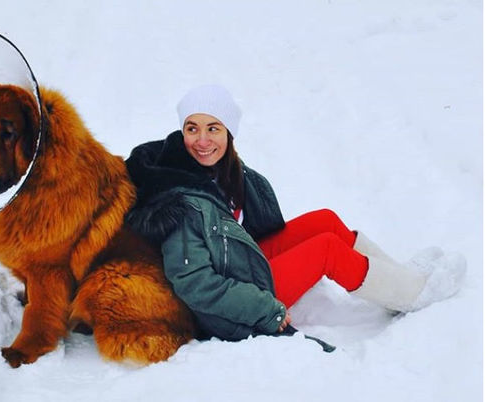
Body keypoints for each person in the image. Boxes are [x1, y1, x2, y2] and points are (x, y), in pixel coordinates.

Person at [125, 84, 466, 341]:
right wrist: (265, 309)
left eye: (212, 128)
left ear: (229, 132)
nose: (201, 140)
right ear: (181, 130)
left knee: (325, 221)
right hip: (227, 305)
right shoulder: (177, 198)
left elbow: (243, 233)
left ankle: (398, 281)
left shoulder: (224, 174)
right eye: (192, 128)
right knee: (326, 251)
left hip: (242, 266)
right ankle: (414, 294)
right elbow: (196, 285)